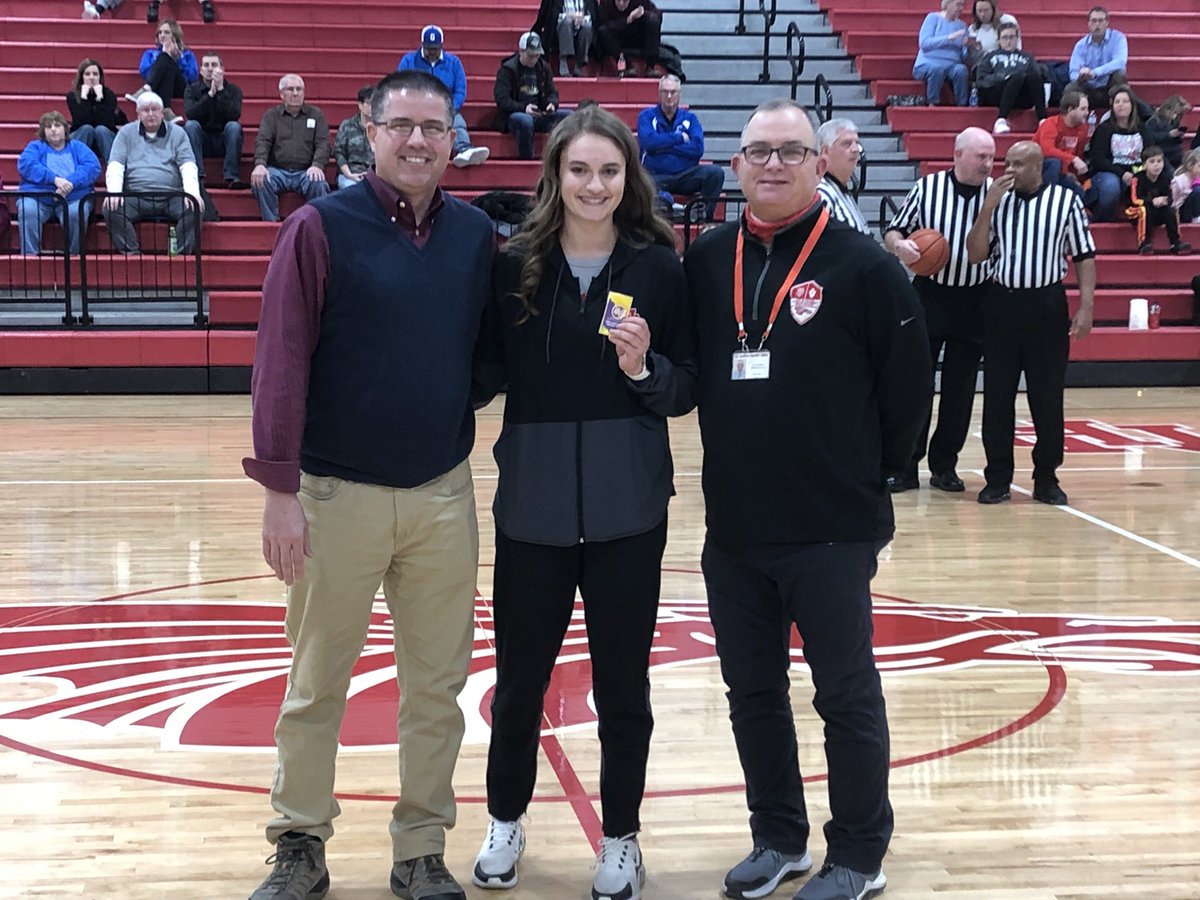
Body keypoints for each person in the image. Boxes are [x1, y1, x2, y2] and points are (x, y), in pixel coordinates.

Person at [243, 69, 495, 900]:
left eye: (435, 126)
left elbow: (488, 357)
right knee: (317, 682)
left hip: (442, 496)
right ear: (368, 130)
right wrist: (281, 491)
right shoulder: (318, 228)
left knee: (438, 688)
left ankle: (421, 846)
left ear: (454, 136)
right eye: (403, 125)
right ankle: (300, 841)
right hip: (334, 497)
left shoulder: (472, 235)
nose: (419, 141)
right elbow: (279, 367)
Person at [684, 98, 930, 900]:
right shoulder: (707, 256)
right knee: (752, 693)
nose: (775, 164)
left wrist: (870, 486)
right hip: (736, 528)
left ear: (819, 164)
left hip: (832, 527)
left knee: (845, 694)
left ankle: (859, 854)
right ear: (738, 165)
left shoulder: (865, 266)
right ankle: (778, 837)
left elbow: (906, 395)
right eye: (760, 151)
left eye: (793, 151)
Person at [470, 103, 697, 900]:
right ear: (555, 176)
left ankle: (623, 838)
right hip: (530, 505)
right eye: (579, 170)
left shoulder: (659, 268)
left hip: (628, 508)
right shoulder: (514, 265)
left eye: (608, 170)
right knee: (520, 678)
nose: (593, 184)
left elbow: (686, 387)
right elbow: (480, 372)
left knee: (622, 685)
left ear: (626, 178)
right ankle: (505, 820)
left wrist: (645, 373)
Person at [966, 140, 1096, 506]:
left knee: (1047, 396)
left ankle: (1046, 476)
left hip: (1046, 305)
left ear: (1038, 167)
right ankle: (997, 478)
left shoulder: (1064, 201)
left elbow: (1085, 255)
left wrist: (1086, 307)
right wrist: (987, 208)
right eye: (1008, 163)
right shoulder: (996, 201)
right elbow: (975, 254)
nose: (1009, 171)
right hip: (1002, 304)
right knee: (997, 396)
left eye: (1018, 165)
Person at [883, 127, 995, 494]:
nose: (987, 164)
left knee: (960, 389)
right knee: (916, 384)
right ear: (958, 154)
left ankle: (945, 465)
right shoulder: (927, 188)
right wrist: (902, 248)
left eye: (991, 157)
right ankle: (905, 465)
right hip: (929, 295)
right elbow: (894, 231)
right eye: (981, 157)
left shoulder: (997, 195)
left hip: (976, 297)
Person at [103, 91, 203, 254]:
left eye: (155, 109)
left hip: (171, 196)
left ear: (162, 112)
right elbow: (116, 164)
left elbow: (188, 165)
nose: (150, 114)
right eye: (145, 110)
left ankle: (178, 255)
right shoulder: (125, 133)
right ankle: (132, 254)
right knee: (110, 208)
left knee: (196, 208)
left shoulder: (178, 133)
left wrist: (192, 193)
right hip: (135, 196)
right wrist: (114, 191)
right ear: (138, 114)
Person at [397, 25, 490, 168]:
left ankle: (464, 148)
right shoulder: (409, 61)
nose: (432, 52)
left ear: (442, 45)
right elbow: (401, 85)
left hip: (445, 106)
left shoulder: (454, 63)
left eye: (436, 48)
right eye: (429, 48)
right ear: (422, 45)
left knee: (457, 122)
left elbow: (460, 90)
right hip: (417, 107)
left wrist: (450, 106)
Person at [637, 74, 725, 222]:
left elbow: (697, 149)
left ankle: (702, 215)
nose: (669, 96)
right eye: (665, 92)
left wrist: (663, 147)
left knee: (715, 173)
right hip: (656, 176)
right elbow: (649, 143)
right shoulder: (646, 116)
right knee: (639, 181)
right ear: (659, 94)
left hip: (685, 176)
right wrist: (679, 138)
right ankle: (671, 205)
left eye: (673, 92)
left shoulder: (691, 119)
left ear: (679, 94)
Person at [16, 111, 101, 255]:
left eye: (57, 125)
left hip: (73, 198)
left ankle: (74, 257)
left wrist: (70, 183)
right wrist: (55, 179)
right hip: (38, 198)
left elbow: (92, 166)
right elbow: (26, 165)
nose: (53, 129)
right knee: (27, 209)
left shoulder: (78, 147)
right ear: (43, 131)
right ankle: (29, 258)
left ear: (65, 129)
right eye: (48, 127)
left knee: (76, 213)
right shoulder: (35, 147)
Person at [250, 74, 330, 222]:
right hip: (278, 170)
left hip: (306, 171)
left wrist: (317, 165)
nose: (295, 93)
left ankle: (314, 224)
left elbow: (323, 143)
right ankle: (271, 224)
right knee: (261, 180)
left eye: (299, 89)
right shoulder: (271, 116)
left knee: (319, 184)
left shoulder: (316, 114)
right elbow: (263, 141)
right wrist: (260, 164)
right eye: (290, 89)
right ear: (281, 94)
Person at [493, 32, 570, 161]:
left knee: (569, 116)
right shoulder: (507, 70)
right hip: (514, 114)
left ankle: (563, 157)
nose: (534, 59)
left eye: (537, 55)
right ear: (521, 51)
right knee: (525, 121)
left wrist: (551, 104)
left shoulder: (544, 68)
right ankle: (526, 160)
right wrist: (524, 108)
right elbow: (502, 99)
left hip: (539, 112)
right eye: (530, 56)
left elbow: (552, 92)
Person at [1086, 85, 1149, 222]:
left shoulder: (1141, 128)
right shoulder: (1104, 129)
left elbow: (1149, 153)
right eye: (1117, 102)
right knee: (1111, 185)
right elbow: (1098, 159)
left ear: (1132, 105)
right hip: (1109, 172)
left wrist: (1138, 173)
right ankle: (1104, 220)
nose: (1121, 105)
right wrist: (1122, 173)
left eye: (1125, 101)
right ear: (1112, 106)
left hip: (1135, 171)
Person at [183, 52, 244, 188]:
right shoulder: (192, 89)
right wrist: (210, 95)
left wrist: (220, 91)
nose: (210, 69)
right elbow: (190, 113)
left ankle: (231, 176)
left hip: (224, 141)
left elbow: (234, 114)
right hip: (201, 141)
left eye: (214, 65)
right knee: (190, 125)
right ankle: (197, 175)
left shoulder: (233, 90)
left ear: (222, 69)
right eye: (206, 65)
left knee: (234, 127)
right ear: (201, 70)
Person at [974, 22, 1045, 134]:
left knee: (1033, 76)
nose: (1008, 41)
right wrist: (1005, 77)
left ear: (1017, 39)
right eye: (1005, 37)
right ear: (998, 40)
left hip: (1021, 95)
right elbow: (982, 80)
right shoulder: (990, 57)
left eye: (1012, 37)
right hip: (998, 93)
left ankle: (1042, 119)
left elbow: (1037, 77)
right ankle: (1001, 120)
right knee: (1016, 77)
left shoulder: (1027, 57)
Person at [128, 20, 198, 120]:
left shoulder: (187, 54)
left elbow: (192, 76)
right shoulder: (150, 53)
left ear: (175, 35)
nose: (162, 35)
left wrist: (178, 60)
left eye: (166, 32)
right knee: (166, 62)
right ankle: (166, 110)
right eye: (160, 32)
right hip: (157, 86)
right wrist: (164, 56)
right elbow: (145, 72)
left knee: (167, 61)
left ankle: (145, 90)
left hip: (180, 87)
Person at [1128, 146, 1191, 255]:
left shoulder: (1166, 178)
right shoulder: (1137, 178)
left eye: (1159, 161)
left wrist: (1165, 200)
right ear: (1144, 165)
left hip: (1158, 210)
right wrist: (1152, 201)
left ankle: (1175, 243)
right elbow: (1135, 199)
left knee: (1171, 210)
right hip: (1137, 211)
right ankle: (1144, 243)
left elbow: (1171, 197)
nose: (1156, 165)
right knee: (1144, 210)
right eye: (1152, 162)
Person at [815, 117, 870, 234]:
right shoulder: (821, 194)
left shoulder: (842, 191)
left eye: (857, 143)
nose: (855, 149)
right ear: (825, 151)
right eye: (847, 144)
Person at [1068, 6, 1128, 113]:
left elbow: (1120, 62)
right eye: (1094, 21)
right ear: (1089, 24)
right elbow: (1073, 72)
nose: (1097, 24)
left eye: (1101, 21)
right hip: (1088, 89)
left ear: (1107, 23)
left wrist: (1095, 72)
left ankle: (1122, 118)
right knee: (1070, 88)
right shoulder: (1081, 45)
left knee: (1120, 74)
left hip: (1110, 88)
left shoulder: (1118, 38)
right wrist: (1081, 76)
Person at [66, 58, 123, 167]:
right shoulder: (73, 96)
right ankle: (73, 169)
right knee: (87, 129)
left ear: (100, 77)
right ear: (81, 77)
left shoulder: (109, 95)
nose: (91, 77)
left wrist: (99, 98)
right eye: (87, 74)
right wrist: (84, 97)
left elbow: (106, 122)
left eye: (95, 74)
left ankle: (114, 170)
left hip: (104, 139)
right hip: (83, 136)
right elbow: (81, 122)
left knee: (100, 130)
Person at [1035, 89, 1091, 198]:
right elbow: (1047, 151)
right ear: (1070, 110)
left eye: (1087, 109)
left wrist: (1074, 174)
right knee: (1054, 163)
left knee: (1084, 196)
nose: (1087, 113)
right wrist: (1073, 159)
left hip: (1062, 173)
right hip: (1039, 169)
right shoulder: (1051, 123)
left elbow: (1078, 154)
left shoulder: (1083, 129)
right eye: (1083, 109)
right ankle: (1047, 200)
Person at [913, 0, 970, 107]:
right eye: (958, 4)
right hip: (928, 62)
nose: (961, 8)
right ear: (948, 4)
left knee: (961, 70)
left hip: (952, 65)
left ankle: (962, 105)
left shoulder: (962, 25)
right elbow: (924, 43)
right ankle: (932, 103)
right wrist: (948, 38)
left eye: (963, 5)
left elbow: (963, 56)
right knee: (936, 69)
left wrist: (967, 47)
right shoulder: (932, 18)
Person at [597, 0, 664, 78]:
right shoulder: (606, 3)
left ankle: (650, 67)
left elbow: (658, 16)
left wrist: (644, 14)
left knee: (653, 21)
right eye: (618, 1)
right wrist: (628, 20)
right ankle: (626, 66)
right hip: (616, 40)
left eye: (624, 1)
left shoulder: (641, 2)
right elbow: (601, 26)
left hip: (637, 38)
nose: (621, 3)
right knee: (603, 31)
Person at [333, 85, 375, 189]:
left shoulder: (382, 128)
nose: (373, 107)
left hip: (375, 176)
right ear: (360, 105)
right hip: (351, 173)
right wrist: (349, 175)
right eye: (369, 103)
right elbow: (339, 153)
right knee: (352, 190)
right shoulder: (347, 126)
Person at [1145, 95, 1192, 169]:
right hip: (1161, 152)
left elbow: (1177, 142)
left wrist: (1179, 136)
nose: (1175, 116)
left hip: (1175, 152)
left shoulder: (1175, 121)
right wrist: (1168, 134)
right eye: (1175, 113)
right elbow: (1150, 138)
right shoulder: (1154, 121)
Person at [966, 0, 1020, 64]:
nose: (983, 14)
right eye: (980, 11)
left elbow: (1017, 43)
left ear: (993, 10)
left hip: (1006, 60)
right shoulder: (973, 29)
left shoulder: (1007, 20)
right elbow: (972, 59)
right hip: (983, 63)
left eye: (986, 10)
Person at [556, 0, 599, 77]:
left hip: (581, 25)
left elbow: (593, 16)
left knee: (588, 27)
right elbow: (553, 16)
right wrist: (569, 17)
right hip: (561, 28)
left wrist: (581, 19)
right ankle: (563, 59)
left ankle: (580, 63)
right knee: (566, 22)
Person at [1171, 148, 1200, 223]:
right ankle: (1196, 218)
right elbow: (1173, 202)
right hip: (1183, 212)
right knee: (1198, 191)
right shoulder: (1179, 181)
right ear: (1190, 166)